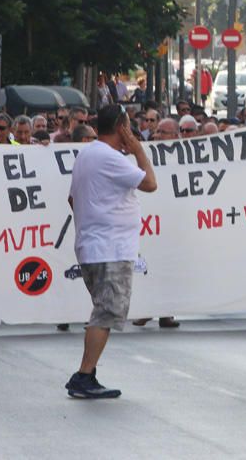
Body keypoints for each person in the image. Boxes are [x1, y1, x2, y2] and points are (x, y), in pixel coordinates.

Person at [65, 105, 157, 398]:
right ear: (121, 127)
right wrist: (139, 150)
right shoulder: (108, 157)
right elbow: (150, 183)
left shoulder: (88, 154)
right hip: (109, 247)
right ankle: (83, 375)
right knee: (105, 313)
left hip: (96, 244)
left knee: (103, 311)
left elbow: (71, 199)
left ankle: (87, 375)